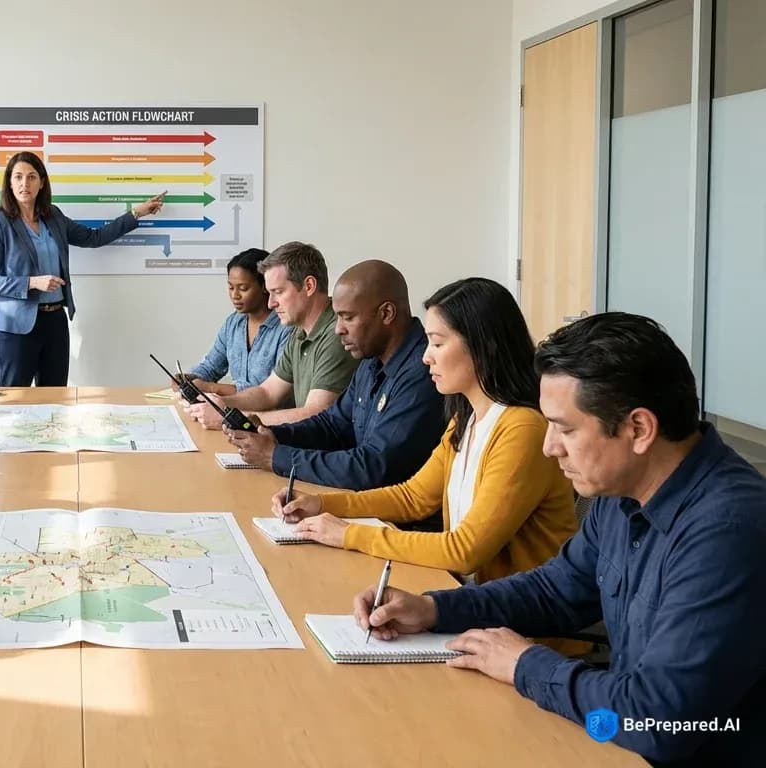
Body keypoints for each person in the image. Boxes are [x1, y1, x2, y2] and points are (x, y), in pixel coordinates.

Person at [350, 313, 766, 766]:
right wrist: (433, 609)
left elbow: (657, 722)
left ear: (639, 429)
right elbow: (556, 590)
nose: (550, 447)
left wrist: (525, 665)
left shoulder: (728, 532)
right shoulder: (623, 489)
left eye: (565, 429)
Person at [272, 278, 576, 584]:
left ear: (484, 347)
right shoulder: (466, 417)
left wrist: (349, 534)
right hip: (470, 595)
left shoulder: (522, 429)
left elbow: (464, 550)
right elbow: (413, 497)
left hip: (515, 611)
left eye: (438, 343)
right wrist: (321, 504)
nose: (426, 356)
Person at [226, 260, 446, 489]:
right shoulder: (371, 360)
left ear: (386, 313)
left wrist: (275, 456)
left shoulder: (423, 372)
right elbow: (333, 426)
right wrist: (273, 435)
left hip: (391, 509)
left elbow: (373, 467)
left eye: (348, 317)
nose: (338, 328)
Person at [0, 150, 165, 386]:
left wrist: (136, 213)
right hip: (15, 328)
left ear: (42, 182)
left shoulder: (53, 216)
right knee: (15, 400)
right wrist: (33, 282)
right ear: (9, 183)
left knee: (55, 398)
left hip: (55, 322)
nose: (25, 183)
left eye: (32, 177)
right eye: (18, 177)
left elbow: (94, 238)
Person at [184, 242, 357, 428]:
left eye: (278, 292)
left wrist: (232, 417)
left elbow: (315, 414)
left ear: (308, 286)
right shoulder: (300, 331)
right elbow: (268, 392)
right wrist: (222, 405)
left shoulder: (336, 333)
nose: (271, 303)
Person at [177, 248, 293, 397]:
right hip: (234, 408)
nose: (234, 295)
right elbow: (211, 367)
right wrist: (190, 378)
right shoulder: (233, 323)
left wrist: (211, 388)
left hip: (273, 410)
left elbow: (272, 390)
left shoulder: (287, 327)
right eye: (231, 287)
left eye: (243, 288)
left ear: (265, 286)